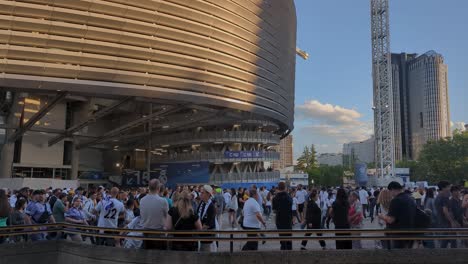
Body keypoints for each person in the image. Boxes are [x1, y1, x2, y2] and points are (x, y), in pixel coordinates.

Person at [379, 181, 416, 249]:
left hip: (398, 233)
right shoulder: (410, 198)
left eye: (389, 191)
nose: (390, 194)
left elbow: (391, 220)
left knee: (397, 254)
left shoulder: (396, 200)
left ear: (392, 189)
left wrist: (382, 216)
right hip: (410, 231)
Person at [139, 179, 169, 250]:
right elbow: (167, 216)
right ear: (158, 188)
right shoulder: (163, 201)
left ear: (148, 188)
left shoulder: (142, 200)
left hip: (145, 232)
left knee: (146, 255)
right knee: (160, 256)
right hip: (159, 233)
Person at [435, 181, 458, 248]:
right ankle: (454, 254)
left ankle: (443, 255)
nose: (450, 188)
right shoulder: (444, 197)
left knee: (444, 240)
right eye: (448, 187)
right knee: (453, 240)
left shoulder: (438, 197)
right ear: (443, 188)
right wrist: (452, 222)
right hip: (447, 222)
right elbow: (445, 210)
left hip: (441, 221)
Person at [272, 182, 293, 250]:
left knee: (282, 237)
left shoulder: (275, 198)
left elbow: (274, 210)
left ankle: (283, 250)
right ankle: (289, 251)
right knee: (289, 237)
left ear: (278, 188)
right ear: (285, 188)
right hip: (288, 219)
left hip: (279, 220)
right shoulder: (289, 197)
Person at [197, 185, 217, 252]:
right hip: (201, 234)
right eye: (200, 192)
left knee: (206, 252)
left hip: (208, 235)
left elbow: (209, 223)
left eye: (202, 193)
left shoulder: (211, 206)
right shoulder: (201, 203)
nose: (200, 194)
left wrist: (199, 229)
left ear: (208, 194)